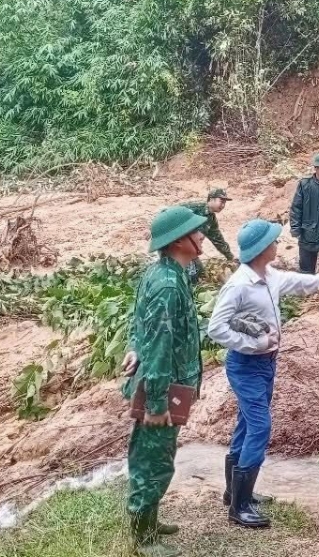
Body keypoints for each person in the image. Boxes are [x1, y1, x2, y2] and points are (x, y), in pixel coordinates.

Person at [207, 219, 319, 529]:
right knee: (260, 427)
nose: (278, 244)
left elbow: (301, 282)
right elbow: (215, 328)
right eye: (274, 241)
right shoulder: (239, 285)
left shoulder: (270, 276)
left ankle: (233, 493)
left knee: (247, 424)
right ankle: (240, 506)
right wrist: (255, 343)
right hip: (246, 365)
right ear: (263, 249)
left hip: (267, 363)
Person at [122, 206, 209, 557]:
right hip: (165, 386)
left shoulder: (166, 272)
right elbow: (159, 345)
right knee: (153, 460)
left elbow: (137, 317)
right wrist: (156, 404)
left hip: (170, 383)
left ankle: (150, 522)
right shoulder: (168, 285)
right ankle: (144, 539)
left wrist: (132, 344)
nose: (203, 235)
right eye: (196, 232)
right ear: (178, 241)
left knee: (158, 454)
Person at [182, 189, 236, 283]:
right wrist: (151, 230)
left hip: (191, 251)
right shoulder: (194, 207)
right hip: (177, 248)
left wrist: (230, 257)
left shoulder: (211, 219)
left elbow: (218, 240)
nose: (223, 205)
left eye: (224, 203)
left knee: (200, 273)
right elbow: (169, 213)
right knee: (188, 276)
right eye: (221, 201)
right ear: (211, 199)